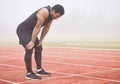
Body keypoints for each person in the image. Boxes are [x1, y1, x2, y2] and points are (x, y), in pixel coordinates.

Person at [16, 4, 64, 80]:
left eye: (58, 17)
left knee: (39, 47)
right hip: (23, 30)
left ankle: (39, 70)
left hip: (31, 31)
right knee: (29, 48)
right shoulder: (44, 11)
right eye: (57, 16)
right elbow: (37, 27)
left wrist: (41, 41)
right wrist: (32, 42)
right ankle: (29, 73)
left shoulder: (51, 17)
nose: (56, 18)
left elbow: (46, 28)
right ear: (53, 11)